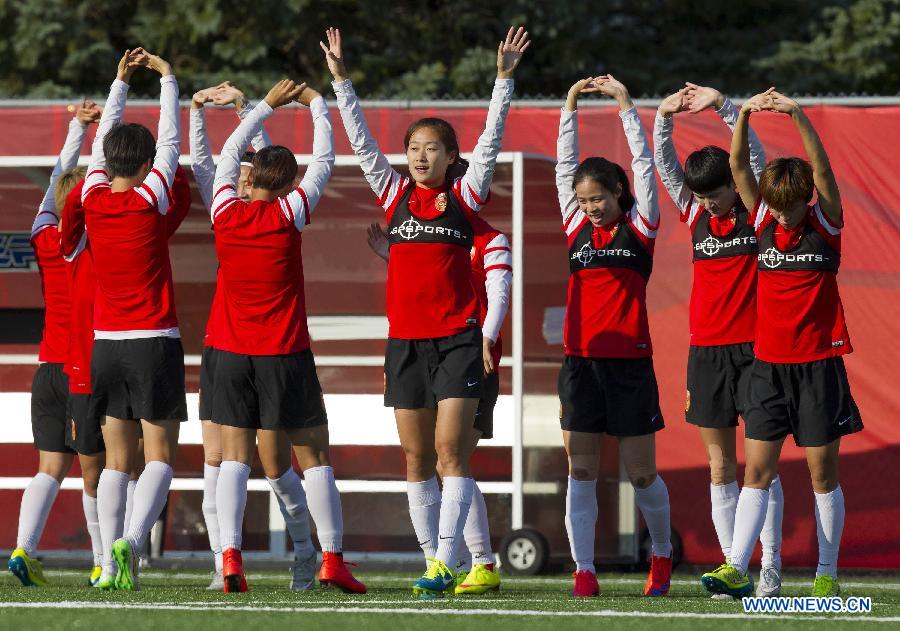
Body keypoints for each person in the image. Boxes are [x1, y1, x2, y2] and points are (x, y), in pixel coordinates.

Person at [323, 25, 528, 597]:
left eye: (431, 148)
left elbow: (489, 140)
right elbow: (362, 143)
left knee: (448, 453)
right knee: (416, 458)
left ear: (451, 158)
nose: (419, 156)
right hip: (405, 342)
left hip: (459, 340)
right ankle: (453, 560)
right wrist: (341, 80)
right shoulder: (392, 196)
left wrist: (503, 80)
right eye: (413, 148)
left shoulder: (465, 199)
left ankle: (445, 563)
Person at [701, 89, 862, 599]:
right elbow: (738, 167)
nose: (785, 215)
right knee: (757, 471)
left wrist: (795, 114)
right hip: (767, 368)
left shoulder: (825, 224)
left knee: (821, 474)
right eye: (778, 206)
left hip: (818, 367)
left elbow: (824, 169)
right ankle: (735, 566)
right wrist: (743, 113)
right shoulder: (765, 220)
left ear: (806, 200)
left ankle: (827, 572)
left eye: (792, 206)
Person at [208, 78, 365, 594]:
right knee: (313, 456)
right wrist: (317, 104)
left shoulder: (225, 211)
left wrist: (263, 107)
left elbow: (230, 151)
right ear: (288, 183)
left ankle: (231, 558)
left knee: (235, 456)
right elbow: (325, 160)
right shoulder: (290, 212)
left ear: (251, 179)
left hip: (229, 353)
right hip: (283, 353)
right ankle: (332, 560)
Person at [653, 83, 784, 597]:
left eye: (715, 192)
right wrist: (663, 117)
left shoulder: (756, 212)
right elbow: (664, 165)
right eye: (700, 194)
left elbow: (751, 154)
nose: (707, 202)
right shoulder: (694, 216)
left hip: (758, 351)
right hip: (705, 351)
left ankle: (769, 565)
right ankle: (735, 571)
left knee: (761, 464)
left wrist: (725, 106)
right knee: (720, 464)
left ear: (736, 184)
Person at [191, 81, 317, 592]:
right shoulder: (230, 200)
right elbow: (219, 160)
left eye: (251, 173)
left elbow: (258, 163)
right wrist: (213, 110)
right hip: (228, 346)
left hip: (259, 350)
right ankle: (227, 560)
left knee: (270, 464)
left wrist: (247, 106)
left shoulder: (233, 205)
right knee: (220, 462)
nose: (246, 178)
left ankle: (302, 552)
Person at [556, 75, 671, 598]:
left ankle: (663, 557)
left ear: (618, 194)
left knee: (642, 475)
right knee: (580, 469)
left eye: (598, 198)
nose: (589, 207)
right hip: (580, 365)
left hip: (630, 366)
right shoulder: (574, 227)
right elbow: (564, 166)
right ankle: (584, 571)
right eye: (581, 200)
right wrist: (569, 107)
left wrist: (626, 106)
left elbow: (646, 168)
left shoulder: (641, 226)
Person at [81, 48, 187, 592]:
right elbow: (171, 141)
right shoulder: (150, 198)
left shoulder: (93, 197)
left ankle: (105, 562)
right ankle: (131, 543)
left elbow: (105, 146)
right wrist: (167, 78)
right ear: (148, 167)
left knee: (116, 462)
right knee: (161, 457)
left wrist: (118, 84)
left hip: (106, 346)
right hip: (152, 341)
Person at [365, 216, 512, 595]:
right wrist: (391, 258)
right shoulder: (426, 232)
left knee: (452, 458)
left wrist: (486, 337)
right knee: (427, 459)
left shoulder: (491, 240)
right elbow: (425, 288)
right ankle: (449, 561)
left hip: (474, 360)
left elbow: (498, 293)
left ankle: (475, 561)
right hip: (422, 354)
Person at [7, 101, 102, 587]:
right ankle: (102, 561)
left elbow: (56, 179)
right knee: (93, 470)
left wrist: (77, 129)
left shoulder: (43, 233)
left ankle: (24, 548)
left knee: (48, 468)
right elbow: (74, 186)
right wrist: (102, 132)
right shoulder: (90, 242)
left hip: (45, 369)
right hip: (79, 371)